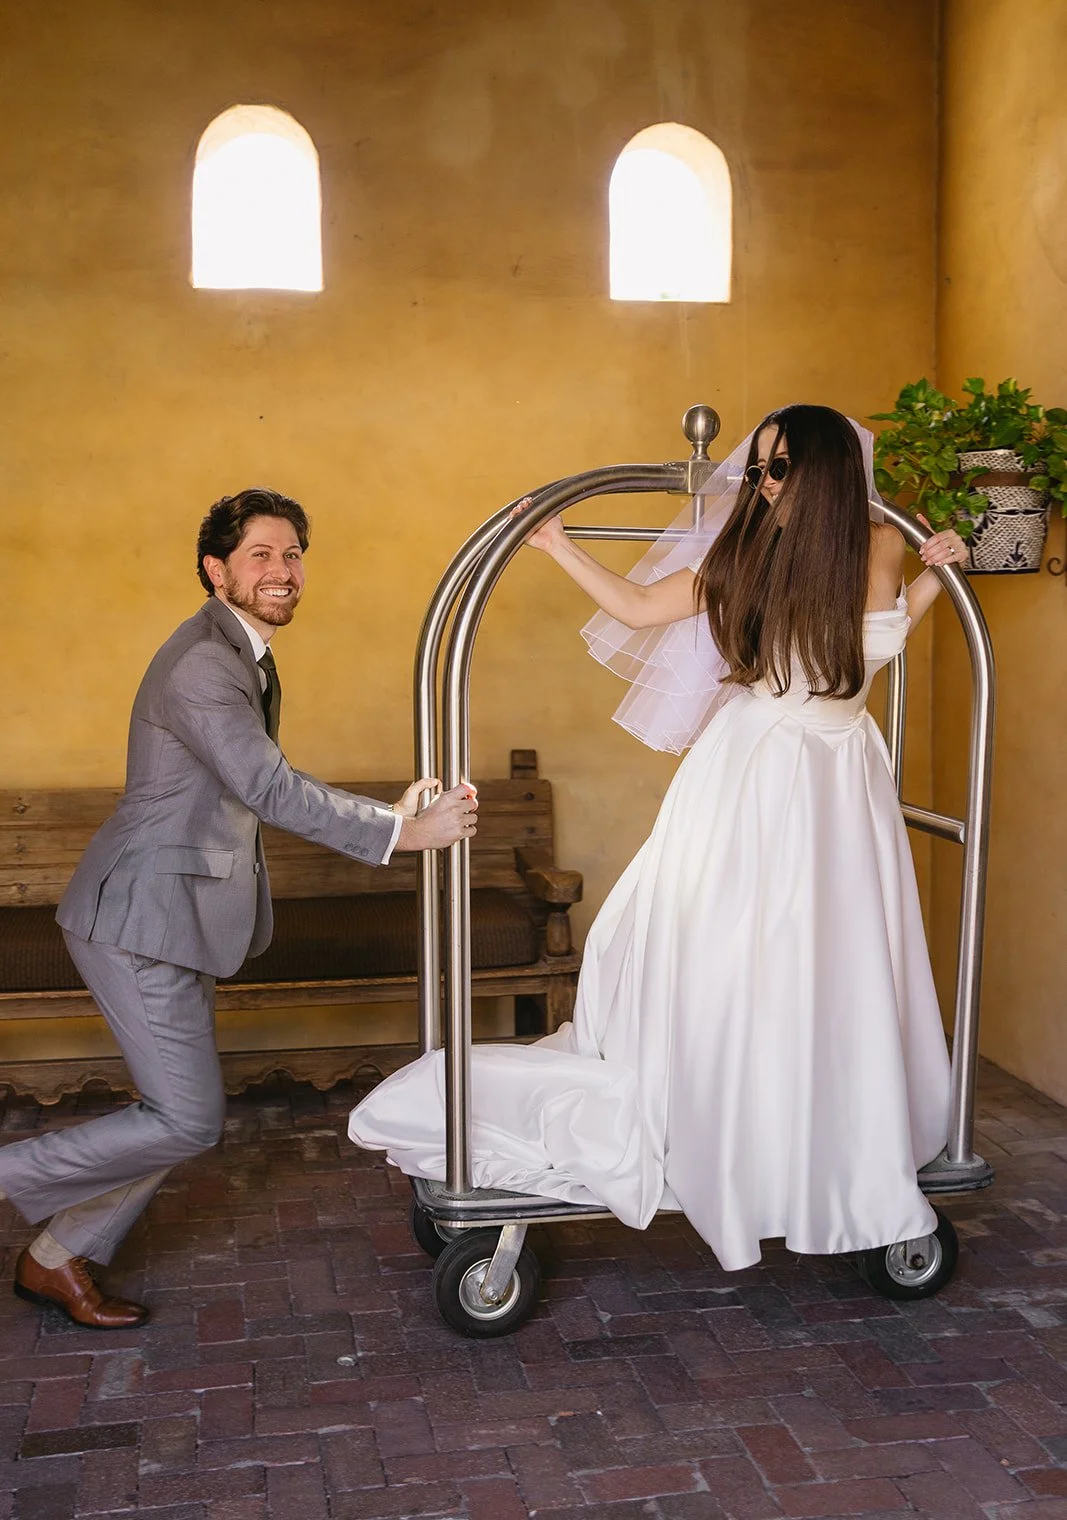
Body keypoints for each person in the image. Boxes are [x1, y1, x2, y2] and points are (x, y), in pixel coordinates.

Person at [349, 406, 965, 1273]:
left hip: (843, 772)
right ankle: (730, 1126)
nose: (762, 485)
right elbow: (639, 609)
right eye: (754, 471)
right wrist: (558, 545)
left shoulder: (880, 546)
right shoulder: (745, 554)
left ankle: (818, 1129)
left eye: (777, 468)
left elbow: (876, 643)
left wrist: (941, 572)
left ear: (824, 468)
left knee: (833, 955)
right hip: (758, 770)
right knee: (738, 952)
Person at [0, 488, 477, 1328]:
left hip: (176, 914)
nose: (283, 571)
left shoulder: (239, 653)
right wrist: (401, 834)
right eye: (261, 554)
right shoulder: (203, 663)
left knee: (169, 1112)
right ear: (216, 568)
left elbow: (244, 783)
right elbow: (264, 784)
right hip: (139, 919)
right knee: (185, 1117)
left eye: (292, 554)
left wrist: (395, 817)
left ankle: (55, 1259)